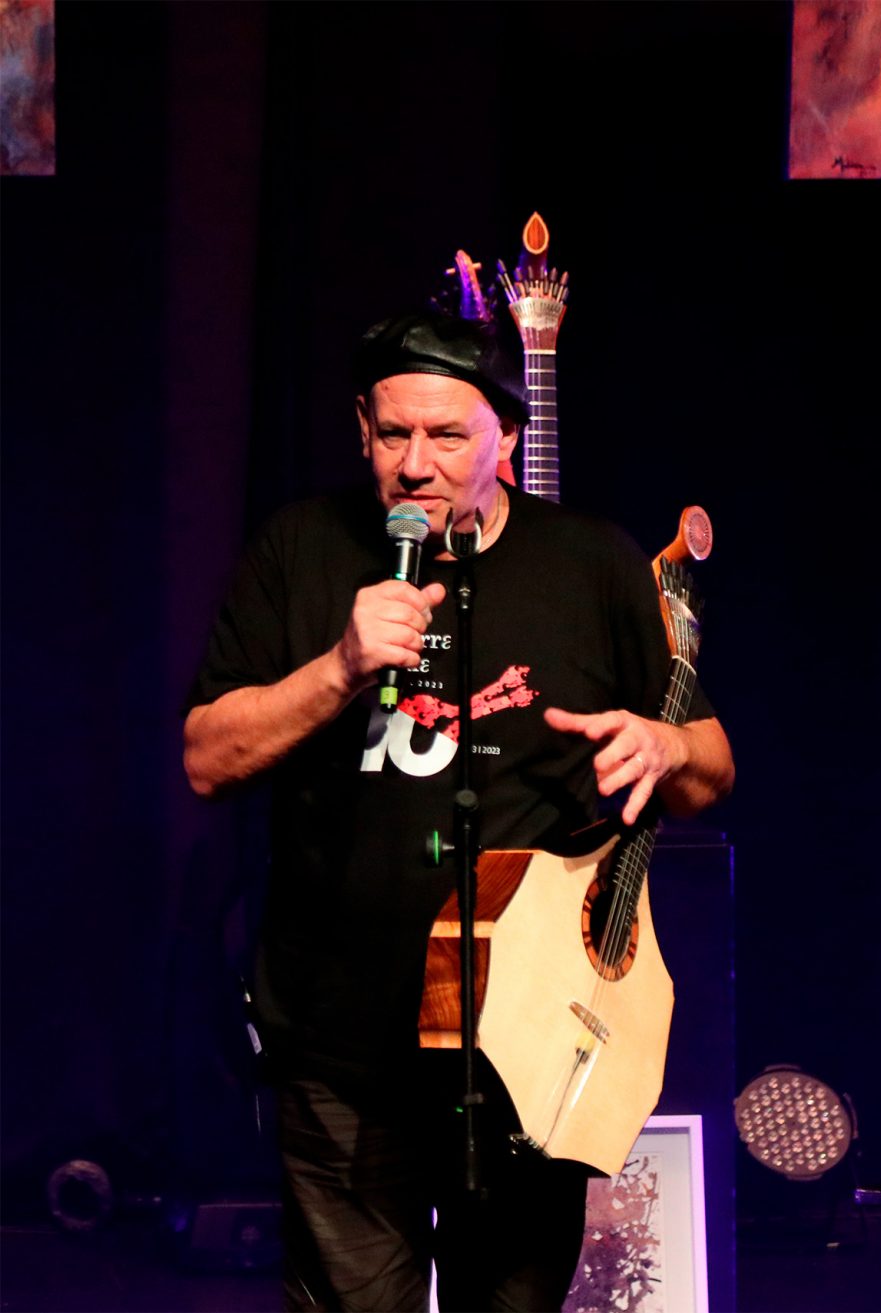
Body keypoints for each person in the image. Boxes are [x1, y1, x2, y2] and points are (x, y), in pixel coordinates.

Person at [183, 311, 734, 1312]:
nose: (415, 465)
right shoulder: (302, 549)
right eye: (394, 433)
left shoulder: (592, 564)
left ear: (508, 436)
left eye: (447, 436)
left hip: (529, 1044)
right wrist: (340, 667)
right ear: (362, 428)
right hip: (342, 1046)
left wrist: (667, 745)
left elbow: (712, 764)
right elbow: (207, 758)